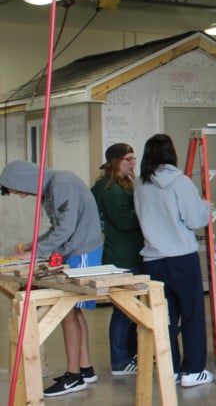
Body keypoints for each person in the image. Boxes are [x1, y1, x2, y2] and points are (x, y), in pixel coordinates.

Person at [1, 160, 103, 396]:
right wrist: (32, 244)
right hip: (76, 250)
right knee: (73, 311)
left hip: (82, 251)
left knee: (67, 309)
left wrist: (36, 252)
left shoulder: (62, 183)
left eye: (16, 189)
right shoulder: (54, 186)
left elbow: (65, 230)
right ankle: (85, 368)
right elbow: (59, 227)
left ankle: (74, 376)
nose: (19, 195)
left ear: (22, 179)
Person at [133, 134, 214, 387]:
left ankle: (173, 370)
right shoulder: (181, 182)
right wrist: (205, 206)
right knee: (192, 314)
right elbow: (194, 220)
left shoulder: (139, 183)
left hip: (153, 259)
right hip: (181, 256)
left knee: (165, 317)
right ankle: (193, 371)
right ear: (171, 154)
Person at [91, 143, 143, 376]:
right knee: (123, 311)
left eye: (133, 159)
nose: (132, 163)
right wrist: (145, 207)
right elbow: (123, 221)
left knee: (131, 309)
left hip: (129, 252)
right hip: (122, 255)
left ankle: (131, 354)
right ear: (114, 161)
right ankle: (120, 361)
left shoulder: (122, 184)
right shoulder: (110, 189)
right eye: (127, 159)